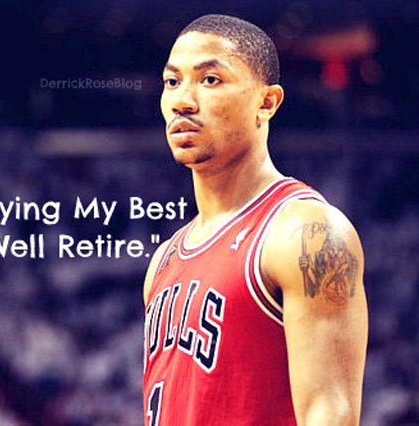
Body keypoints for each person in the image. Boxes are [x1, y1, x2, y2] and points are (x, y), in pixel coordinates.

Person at [142, 14, 368, 425]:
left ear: (267, 102)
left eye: (210, 80)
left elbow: (330, 414)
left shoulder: (306, 232)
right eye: (172, 81)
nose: (182, 100)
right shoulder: (163, 260)